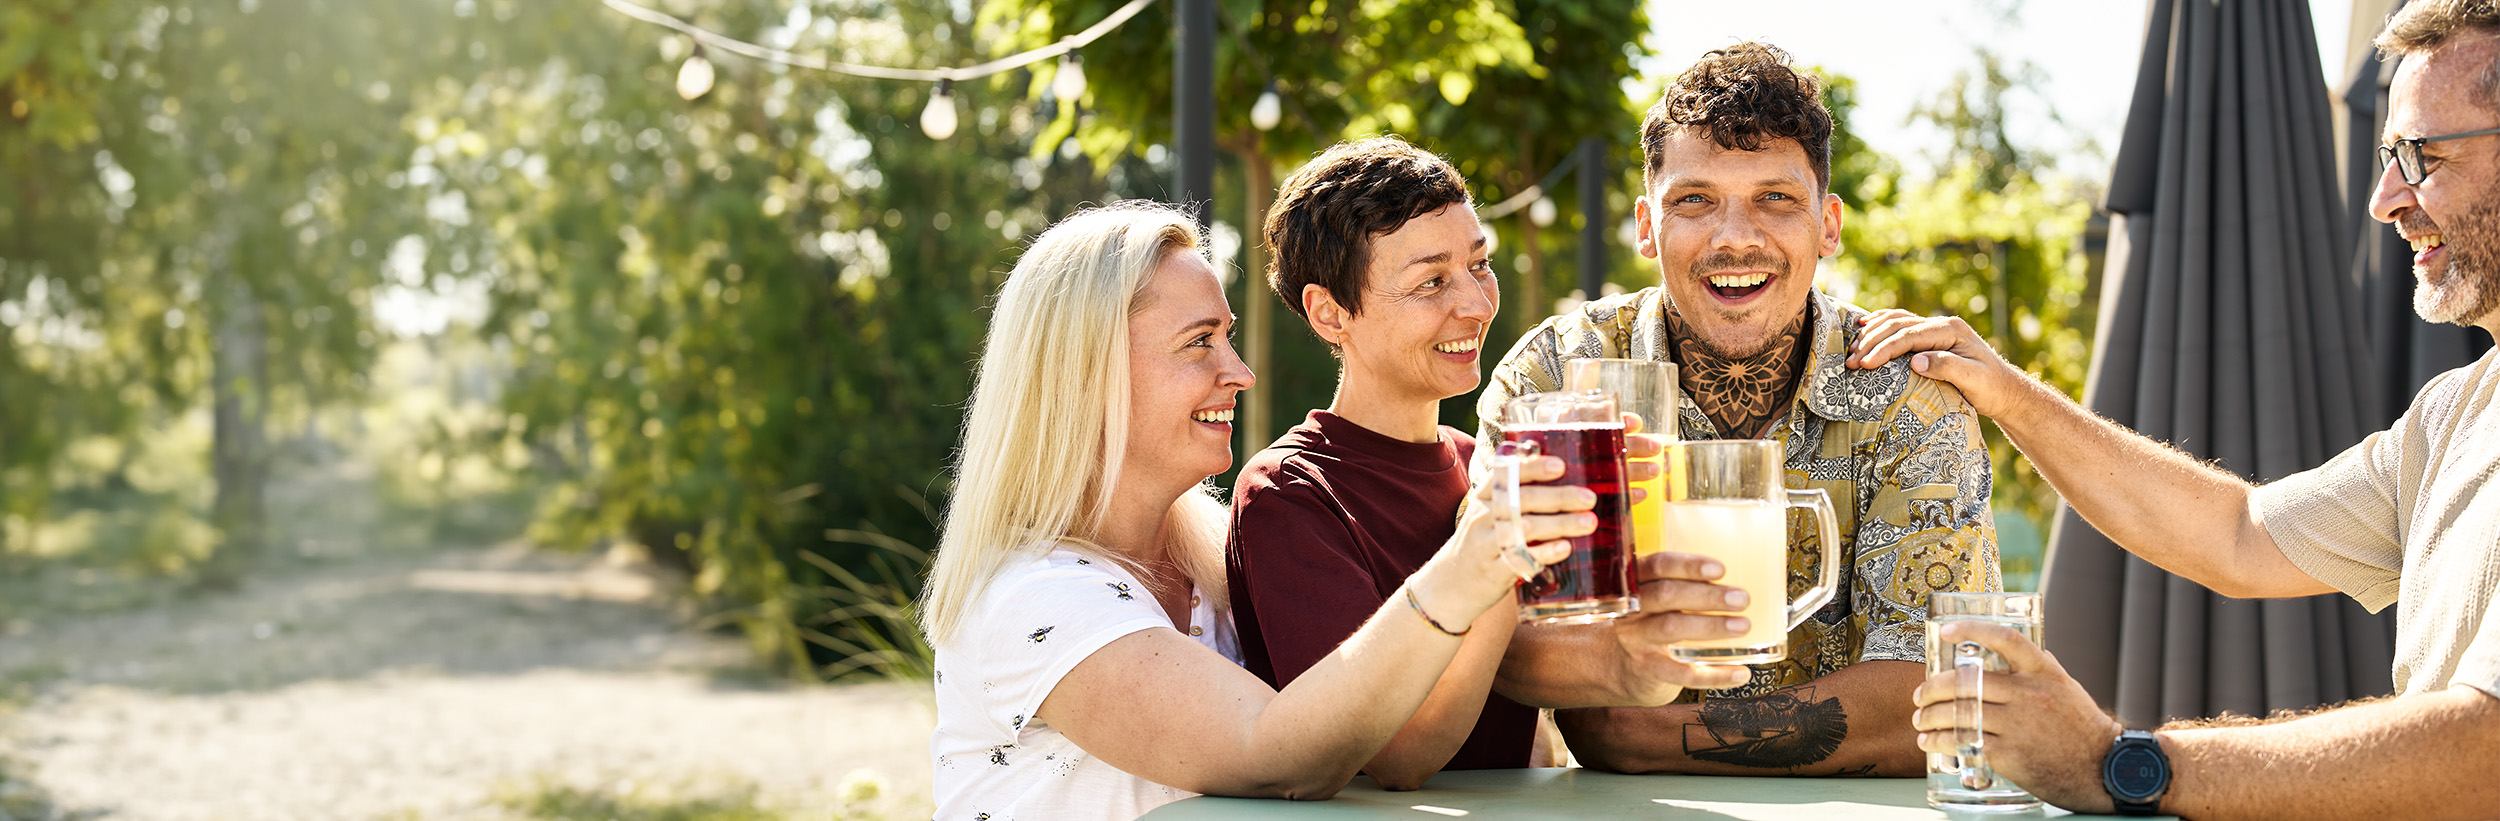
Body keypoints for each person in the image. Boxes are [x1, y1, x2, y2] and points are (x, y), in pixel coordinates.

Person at [1850, 1, 2500, 815]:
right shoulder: (2456, 413)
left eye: (2422, 156)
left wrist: (2120, 761)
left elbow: (2485, 750)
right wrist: (2004, 390)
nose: (2383, 199)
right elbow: (2236, 533)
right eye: (2386, 156)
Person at [921, 201, 1606, 821]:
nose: (1241, 372)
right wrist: (1474, 560)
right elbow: (1278, 755)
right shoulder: (1035, 597)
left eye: (1228, 336)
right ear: (1087, 375)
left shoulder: (1217, 558)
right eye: (1200, 342)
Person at [1478, 43, 2001, 777]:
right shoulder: (1554, 375)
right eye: (1694, 200)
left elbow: (1938, 684)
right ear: (1646, 225)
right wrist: (1609, 662)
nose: (1735, 238)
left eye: (1775, 198)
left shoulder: (1911, 394)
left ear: (1828, 224)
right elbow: (1486, 633)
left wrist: (1638, 733)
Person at [1227, 138, 1752, 789]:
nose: (1476, 303)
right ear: (1329, 312)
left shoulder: (1484, 463)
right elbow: (1401, 757)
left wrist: (1642, 616)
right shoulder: (1290, 495)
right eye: (1432, 281)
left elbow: (1562, 672)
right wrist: (1499, 548)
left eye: (1480, 264)